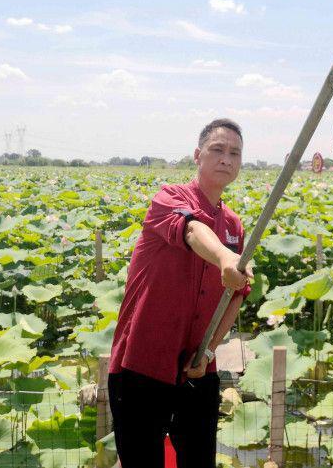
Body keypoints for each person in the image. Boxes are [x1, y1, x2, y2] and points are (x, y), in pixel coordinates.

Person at [107, 118, 253, 468]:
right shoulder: (169, 197)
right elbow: (191, 230)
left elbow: (235, 296)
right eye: (217, 149)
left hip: (197, 368)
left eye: (234, 153)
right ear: (197, 155)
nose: (225, 159)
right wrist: (224, 257)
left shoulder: (233, 225)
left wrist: (211, 350)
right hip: (142, 364)